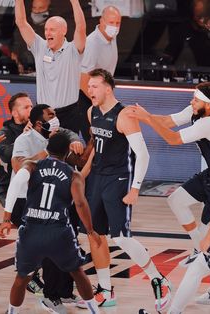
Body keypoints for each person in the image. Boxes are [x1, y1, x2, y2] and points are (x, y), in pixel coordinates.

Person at [76, 69, 171, 312]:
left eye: (95, 86)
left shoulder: (125, 115)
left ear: (108, 88)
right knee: (95, 235)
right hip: (97, 177)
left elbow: (143, 154)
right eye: (89, 87)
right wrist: (81, 176)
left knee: (121, 237)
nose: (90, 91)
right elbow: (96, 147)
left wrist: (136, 188)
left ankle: (158, 279)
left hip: (118, 179)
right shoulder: (91, 111)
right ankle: (105, 290)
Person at [126, 81, 210, 305]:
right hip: (209, 176)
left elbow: (173, 139)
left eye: (196, 99)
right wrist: (145, 115)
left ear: (209, 104)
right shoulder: (196, 110)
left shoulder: (209, 122)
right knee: (176, 200)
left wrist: (146, 119)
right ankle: (197, 247)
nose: (191, 102)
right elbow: (167, 122)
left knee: (209, 241)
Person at [0, 132, 101, 314]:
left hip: (32, 231)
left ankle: (12, 312)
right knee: (77, 272)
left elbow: (16, 183)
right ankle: (95, 312)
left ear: (47, 148)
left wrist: (6, 218)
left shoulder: (32, 165)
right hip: (59, 232)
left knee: (22, 277)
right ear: (67, 152)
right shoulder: (73, 175)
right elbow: (80, 203)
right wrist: (91, 231)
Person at [10, 104, 84, 312]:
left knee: (68, 244)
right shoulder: (24, 139)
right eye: (51, 115)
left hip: (58, 198)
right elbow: (18, 166)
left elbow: (73, 144)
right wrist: (48, 151)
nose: (56, 117)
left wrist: (79, 142)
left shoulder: (59, 135)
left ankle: (65, 292)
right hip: (31, 202)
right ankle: (50, 296)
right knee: (51, 251)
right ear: (39, 122)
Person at [15, 0, 86, 134]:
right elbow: (21, 22)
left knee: (67, 154)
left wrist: (75, 2)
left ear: (64, 31)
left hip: (68, 114)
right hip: (42, 113)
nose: (47, 33)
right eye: (46, 29)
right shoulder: (39, 47)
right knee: (39, 154)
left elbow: (81, 27)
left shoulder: (73, 49)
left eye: (52, 30)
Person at [79, 5, 122, 143]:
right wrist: (99, 103)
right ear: (101, 21)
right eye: (111, 22)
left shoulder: (112, 37)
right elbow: (83, 80)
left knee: (105, 141)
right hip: (87, 99)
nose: (115, 26)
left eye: (117, 23)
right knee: (94, 143)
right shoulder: (92, 43)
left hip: (102, 98)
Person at [0, 92, 32, 210]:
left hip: (32, 187)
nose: (31, 110)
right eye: (26, 107)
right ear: (14, 113)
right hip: (9, 189)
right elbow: (6, 155)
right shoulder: (4, 132)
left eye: (31, 106)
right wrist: (24, 136)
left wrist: (74, 140)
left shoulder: (37, 126)